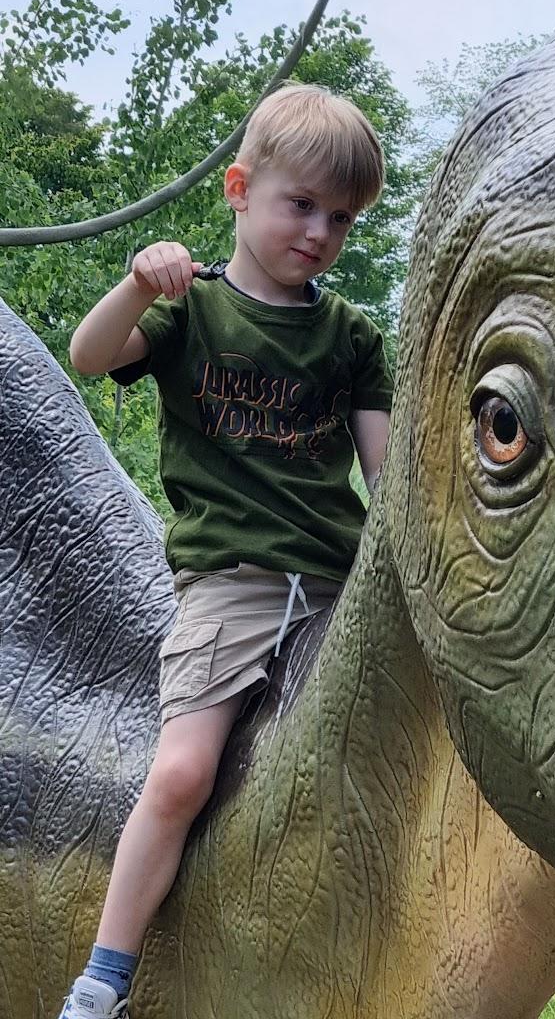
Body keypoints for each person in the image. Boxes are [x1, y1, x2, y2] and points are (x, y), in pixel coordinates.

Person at [59, 82, 394, 1018]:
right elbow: (89, 355)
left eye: (341, 217)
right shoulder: (192, 311)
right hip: (231, 588)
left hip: (335, 588)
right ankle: (103, 978)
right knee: (181, 774)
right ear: (239, 190)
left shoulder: (352, 337)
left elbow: (386, 478)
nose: (320, 232)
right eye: (303, 204)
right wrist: (138, 282)